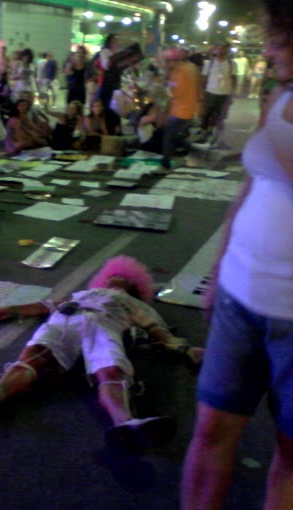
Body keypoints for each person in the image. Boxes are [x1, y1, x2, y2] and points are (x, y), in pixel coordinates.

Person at [181, 2, 293, 507]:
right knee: (210, 432)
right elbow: (248, 186)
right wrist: (218, 268)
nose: (268, 49)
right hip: (239, 295)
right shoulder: (279, 97)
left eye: (280, 37)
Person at [0, 255, 204, 450]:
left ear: (131, 287)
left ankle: (127, 424)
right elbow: (47, 305)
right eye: (111, 276)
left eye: (120, 279)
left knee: (111, 369)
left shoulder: (131, 302)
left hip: (105, 324)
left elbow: (157, 329)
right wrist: (13, 310)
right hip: (66, 320)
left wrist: (186, 349)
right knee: (34, 355)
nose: (113, 280)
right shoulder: (83, 293)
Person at [161, 47, 200, 171]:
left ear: (172, 61)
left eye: (167, 62)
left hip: (180, 110)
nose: (166, 65)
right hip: (189, 107)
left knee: (169, 137)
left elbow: (174, 92)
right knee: (174, 136)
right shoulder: (191, 68)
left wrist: (166, 83)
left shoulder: (178, 73)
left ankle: (165, 164)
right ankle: (198, 152)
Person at [199, 41, 237, 148]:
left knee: (221, 118)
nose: (220, 51)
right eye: (218, 48)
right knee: (206, 116)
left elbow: (234, 79)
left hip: (224, 95)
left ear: (226, 50)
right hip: (210, 93)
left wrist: (232, 95)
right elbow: (203, 79)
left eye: (223, 48)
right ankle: (204, 136)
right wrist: (201, 94)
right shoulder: (209, 64)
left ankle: (218, 140)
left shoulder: (231, 64)